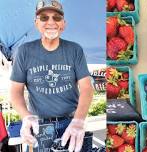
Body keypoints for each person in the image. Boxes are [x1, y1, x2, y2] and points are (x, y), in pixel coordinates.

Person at [9, 0, 94, 151]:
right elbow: (15, 91)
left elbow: (87, 88)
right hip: (39, 126)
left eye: (56, 17)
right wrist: (25, 116)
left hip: (70, 123)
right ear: (36, 23)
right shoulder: (24, 51)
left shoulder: (75, 50)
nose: (51, 22)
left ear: (64, 24)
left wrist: (79, 120)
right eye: (44, 18)